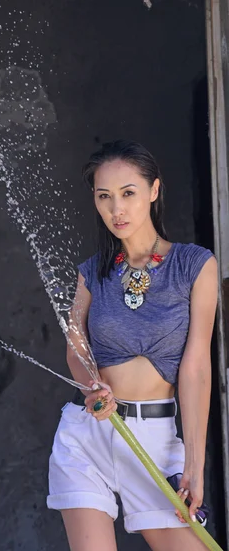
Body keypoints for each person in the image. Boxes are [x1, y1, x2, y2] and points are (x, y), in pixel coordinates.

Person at [47, 140, 218, 551]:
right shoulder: (91, 273)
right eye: (104, 197)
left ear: (154, 190)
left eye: (128, 194)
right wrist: (92, 385)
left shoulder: (194, 265)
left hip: (154, 441)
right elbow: (77, 349)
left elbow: (195, 368)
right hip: (87, 437)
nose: (116, 209)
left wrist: (194, 464)